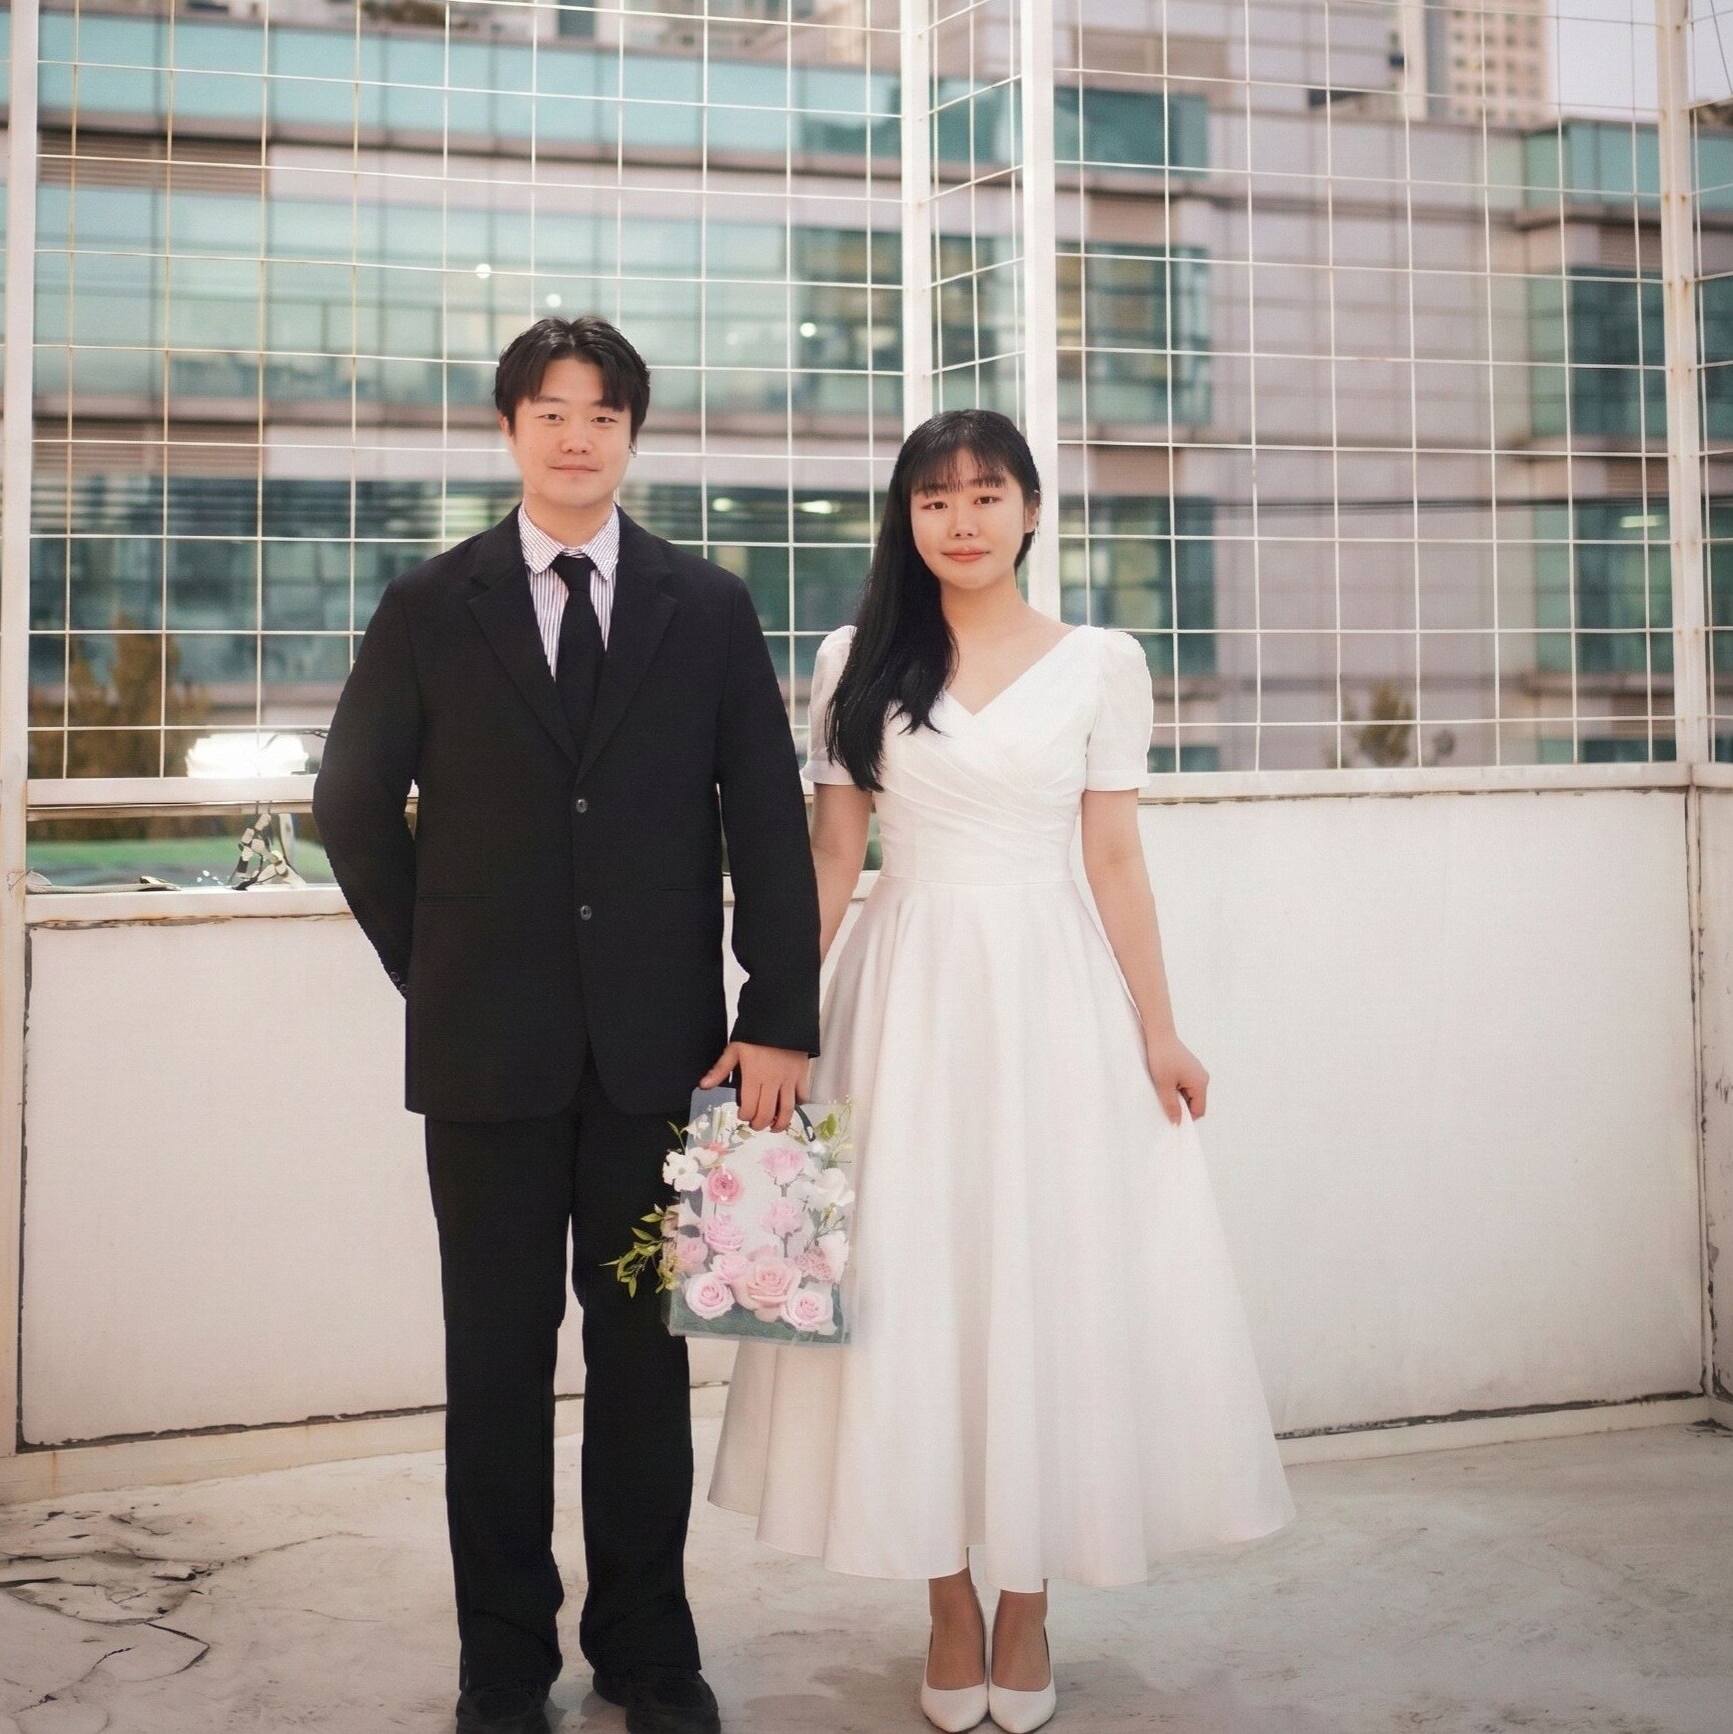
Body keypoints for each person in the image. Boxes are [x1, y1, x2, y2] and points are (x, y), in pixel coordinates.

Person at [709, 410, 1295, 1734]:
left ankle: (1026, 1601)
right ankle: (945, 1600)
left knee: (1043, 1280)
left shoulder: (1101, 662)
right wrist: (773, 1016)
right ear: (906, 519)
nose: (961, 519)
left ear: (1032, 510)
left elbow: (1115, 858)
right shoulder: (855, 657)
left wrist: (1160, 1027)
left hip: (1050, 998)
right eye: (934, 498)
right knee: (909, 1283)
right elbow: (833, 857)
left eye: (985, 494)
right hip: (901, 997)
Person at [313, 316, 820, 1734]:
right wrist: (440, 968)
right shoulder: (432, 603)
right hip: (486, 1059)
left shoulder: (705, 606)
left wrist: (779, 1013)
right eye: (551, 410)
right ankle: (502, 1664)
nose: (577, 434)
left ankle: (648, 1649)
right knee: (495, 1364)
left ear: (633, 433)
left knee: (647, 1357)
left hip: (667, 1061)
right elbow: (349, 802)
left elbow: (766, 819)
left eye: (603, 412)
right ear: (510, 428)